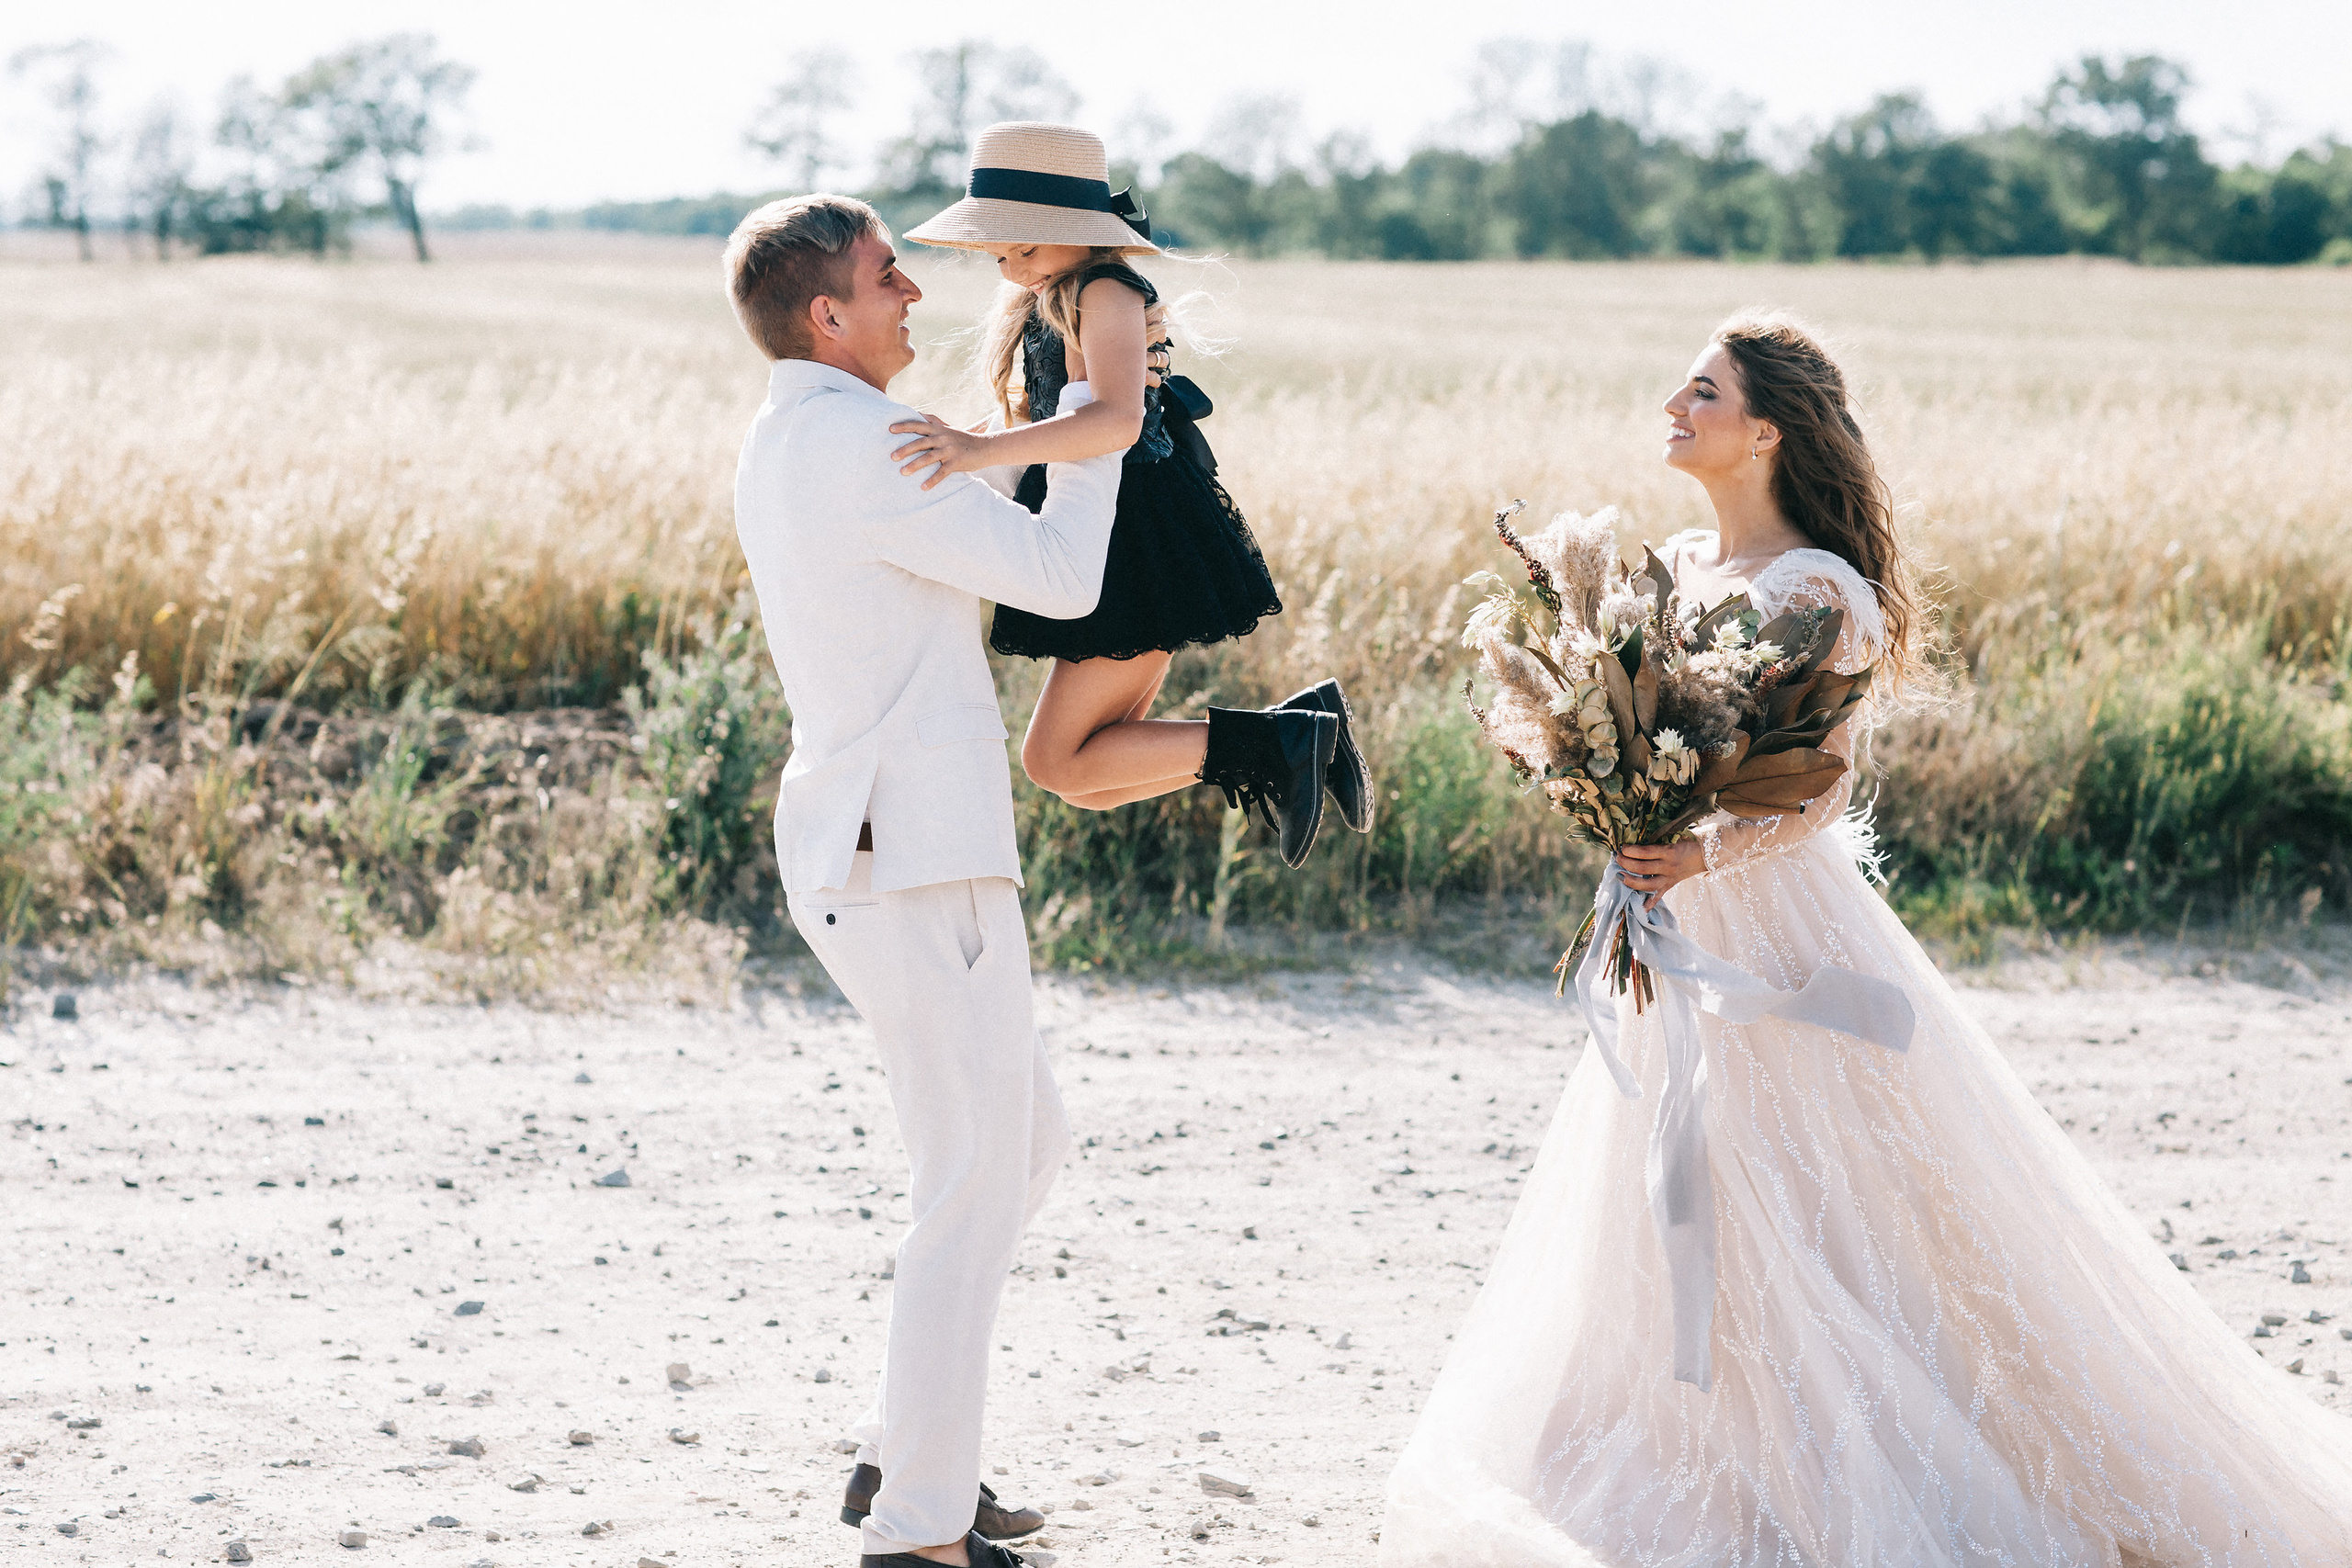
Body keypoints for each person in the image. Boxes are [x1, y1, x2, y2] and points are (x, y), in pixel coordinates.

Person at [1379, 314, 2352, 1565]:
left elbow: (1823, 786)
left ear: (1766, 431)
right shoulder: (1677, 564)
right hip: (1672, 911)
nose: (1673, 404)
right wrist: (1611, 800)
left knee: (1831, 1187)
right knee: (1681, 1170)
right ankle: (1700, 1443)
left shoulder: (1815, 590)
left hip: (1772, 920)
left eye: (1702, 390)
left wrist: (1699, 853)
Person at [725, 192, 1105, 1568]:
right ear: (829, 315)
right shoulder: (864, 445)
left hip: (885, 845)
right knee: (972, 1175)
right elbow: (1059, 576)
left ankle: (905, 1451)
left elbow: (989, 529)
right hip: (912, 852)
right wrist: (1101, 417)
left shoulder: (801, 432)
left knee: (1021, 1149)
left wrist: (1030, 431)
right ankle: (917, 1532)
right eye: (891, 275)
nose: (915, 295)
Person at [887, 119, 1371, 868]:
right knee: (1088, 777)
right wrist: (962, 439)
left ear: (1078, 231)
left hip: (1137, 538)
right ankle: (1295, 732)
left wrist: (980, 451)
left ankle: (1288, 741)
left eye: (1025, 249)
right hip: (1105, 529)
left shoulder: (1105, 290)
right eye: (999, 255)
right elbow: (1045, 416)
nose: (1011, 269)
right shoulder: (1054, 292)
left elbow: (1115, 419)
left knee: (1058, 761)